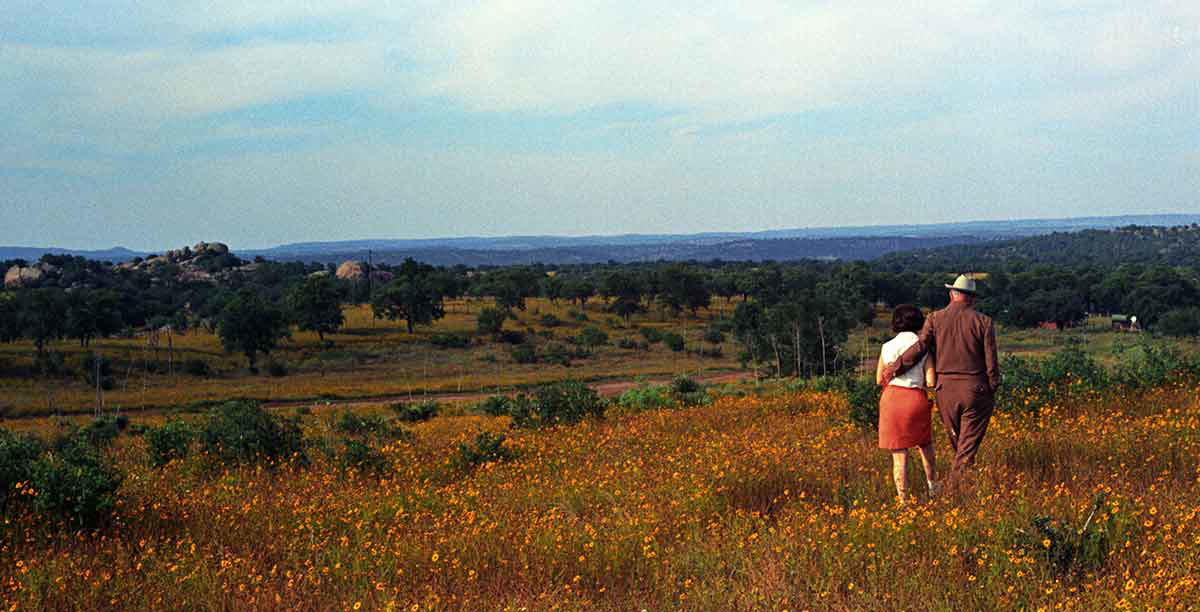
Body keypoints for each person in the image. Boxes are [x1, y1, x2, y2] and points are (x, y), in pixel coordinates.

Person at [881, 275, 1000, 477]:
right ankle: (956, 486)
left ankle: (963, 483)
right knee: (967, 444)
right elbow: (991, 360)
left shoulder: (935, 319)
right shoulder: (984, 322)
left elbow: (920, 347)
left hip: (945, 391)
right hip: (975, 388)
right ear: (971, 298)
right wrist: (992, 386)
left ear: (951, 294)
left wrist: (895, 367)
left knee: (959, 442)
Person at [876, 304, 938, 503]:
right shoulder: (923, 347)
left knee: (899, 453)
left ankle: (903, 501)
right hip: (915, 398)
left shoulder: (887, 347)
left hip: (892, 399)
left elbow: (879, 379)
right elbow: (931, 381)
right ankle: (933, 487)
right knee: (925, 445)